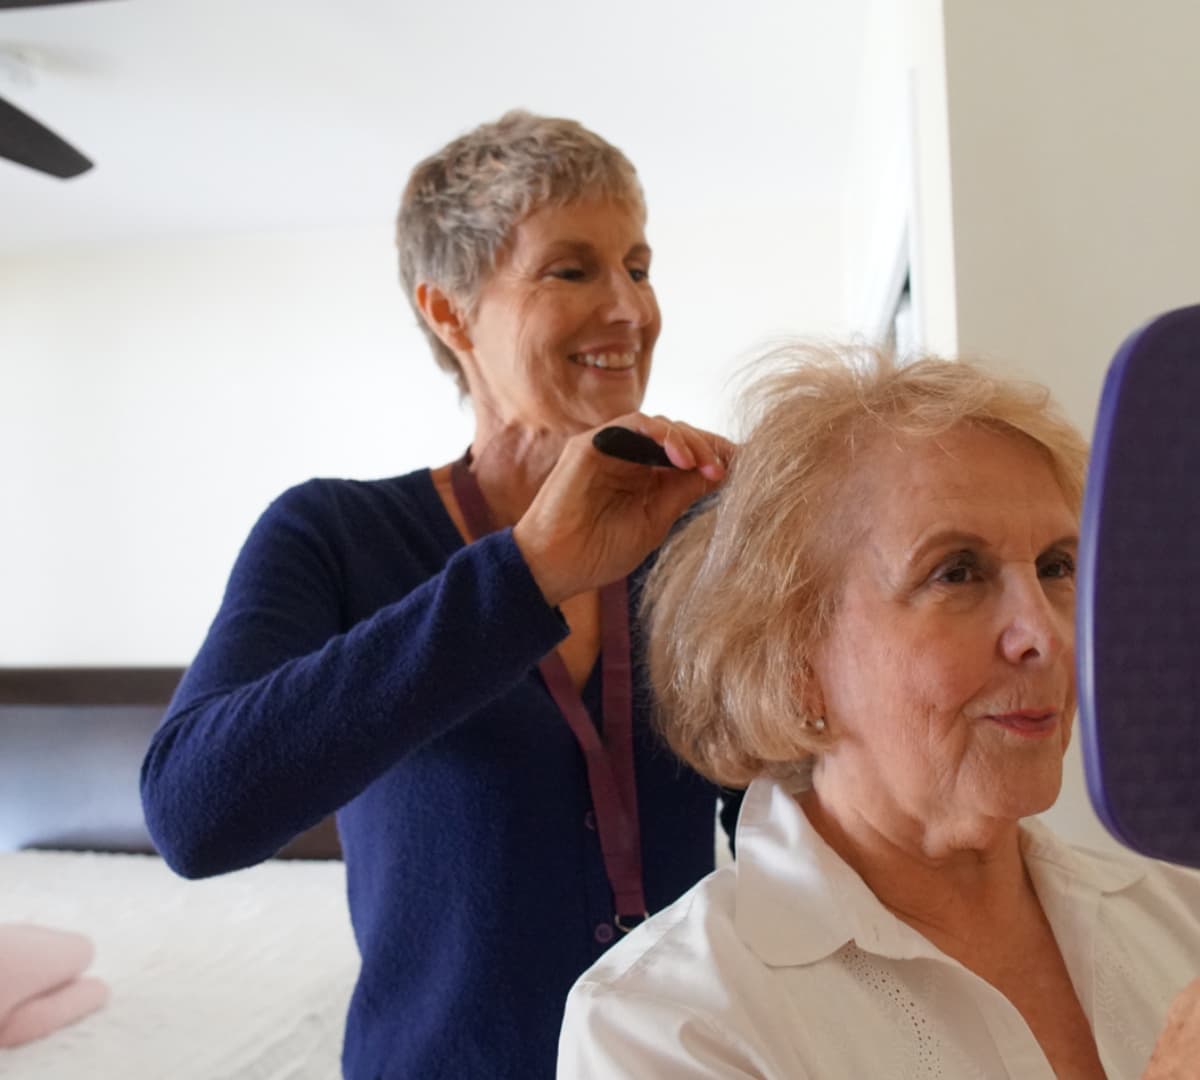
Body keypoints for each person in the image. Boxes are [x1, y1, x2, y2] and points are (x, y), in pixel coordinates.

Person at [140, 110, 741, 1080]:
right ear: (450, 313)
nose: (632, 309)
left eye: (638, 264)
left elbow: (790, 820)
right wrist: (529, 572)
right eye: (573, 269)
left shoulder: (695, 542)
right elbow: (193, 815)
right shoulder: (330, 536)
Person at [557, 344, 1200, 1078]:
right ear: (795, 663)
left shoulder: (1183, 916)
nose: (1046, 637)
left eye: (1057, 567)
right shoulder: (663, 1022)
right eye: (956, 573)